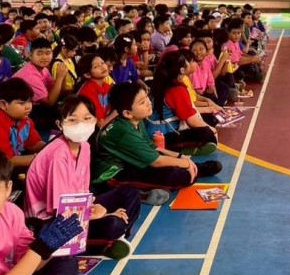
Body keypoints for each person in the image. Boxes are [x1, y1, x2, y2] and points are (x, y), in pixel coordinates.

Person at [25, 96, 141, 260]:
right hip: (51, 223)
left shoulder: (84, 147)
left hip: (78, 210)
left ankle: (113, 237)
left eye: (87, 118)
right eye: (73, 120)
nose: (81, 125)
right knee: (112, 224)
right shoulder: (57, 155)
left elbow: (83, 192)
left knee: (130, 193)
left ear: (95, 120)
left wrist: (93, 207)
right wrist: (99, 215)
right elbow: (61, 211)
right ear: (60, 124)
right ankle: (110, 238)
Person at [93, 82, 221, 196]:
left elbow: (152, 146)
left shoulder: (136, 120)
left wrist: (180, 157)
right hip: (113, 175)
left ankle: (195, 169)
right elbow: (156, 162)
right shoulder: (124, 132)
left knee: (176, 165)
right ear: (127, 113)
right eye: (142, 102)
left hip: (133, 162)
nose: (149, 103)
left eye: (147, 97)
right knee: (180, 176)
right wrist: (186, 164)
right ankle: (140, 194)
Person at [148, 52, 219, 155]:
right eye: (187, 61)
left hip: (154, 130)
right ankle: (178, 149)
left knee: (208, 120)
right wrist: (213, 131)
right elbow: (192, 121)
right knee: (207, 134)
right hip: (163, 135)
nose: (190, 62)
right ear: (182, 70)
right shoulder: (176, 90)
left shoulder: (165, 82)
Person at [0, 78, 45, 171]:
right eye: (22, 103)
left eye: (30, 101)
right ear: (3, 104)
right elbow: (6, 160)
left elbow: (33, 144)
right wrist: (41, 158)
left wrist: (51, 147)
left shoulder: (25, 121)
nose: (28, 107)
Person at [76, 54, 116, 129]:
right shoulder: (88, 91)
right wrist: (118, 111)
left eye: (102, 63)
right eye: (96, 67)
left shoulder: (106, 86)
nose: (102, 67)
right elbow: (101, 124)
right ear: (87, 74)